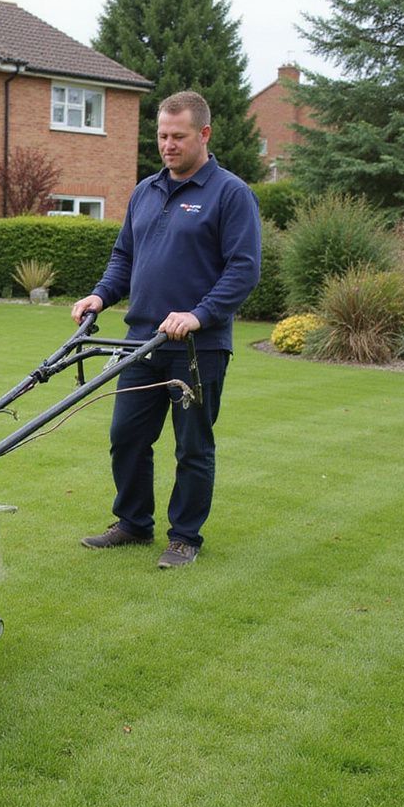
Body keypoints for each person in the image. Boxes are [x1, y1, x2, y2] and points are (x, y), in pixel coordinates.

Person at [71, 90, 260, 568]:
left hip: (198, 346)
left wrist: (198, 314)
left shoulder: (230, 193)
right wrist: (100, 294)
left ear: (204, 134)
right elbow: (124, 258)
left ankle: (185, 538)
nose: (168, 145)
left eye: (178, 136)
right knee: (127, 436)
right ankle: (133, 523)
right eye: (162, 136)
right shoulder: (145, 191)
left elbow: (243, 269)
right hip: (140, 342)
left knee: (192, 444)